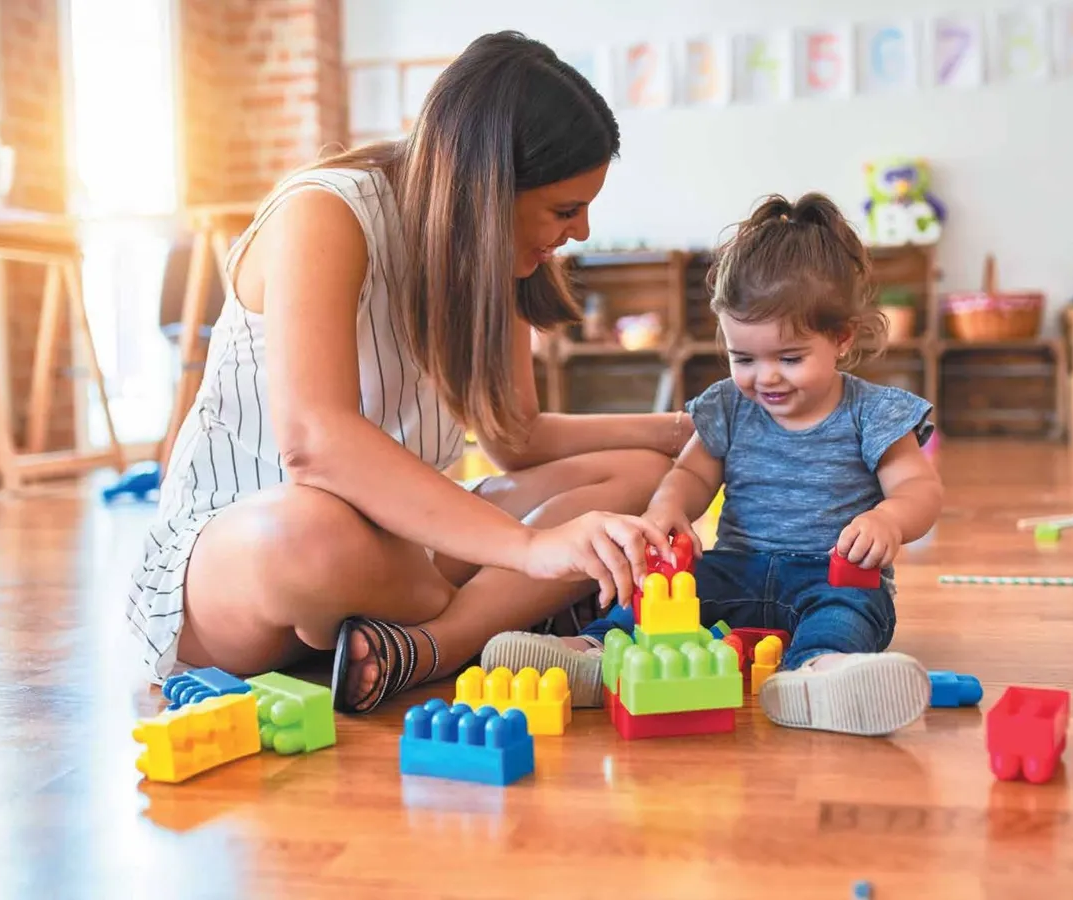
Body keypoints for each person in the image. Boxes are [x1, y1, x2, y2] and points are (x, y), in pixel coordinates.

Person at [125, 31, 693, 714]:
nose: (580, 232)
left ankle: (429, 646)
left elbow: (516, 434)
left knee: (634, 476)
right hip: (253, 565)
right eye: (565, 209)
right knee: (309, 529)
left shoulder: (496, 253)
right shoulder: (327, 212)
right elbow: (314, 442)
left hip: (402, 555)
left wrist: (679, 432)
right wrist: (530, 551)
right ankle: (477, 621)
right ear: (489, 187)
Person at [483, 192, 944, 736]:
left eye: (789, 358)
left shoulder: (874, 412)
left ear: (841, 339)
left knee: (849, 612)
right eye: (743, 357)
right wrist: (668, 510)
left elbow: (920, 487)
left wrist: (889, 521)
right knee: (666, 590)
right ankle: (595, 653)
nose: (765, 377)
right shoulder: (728, 404)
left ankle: (820, 674)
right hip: (738, 568)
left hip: (831, 573)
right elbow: (692, 473)